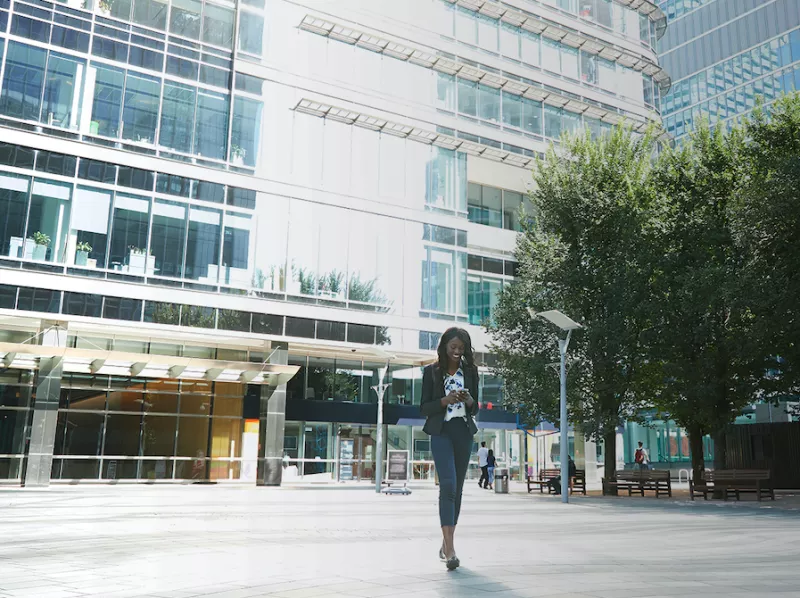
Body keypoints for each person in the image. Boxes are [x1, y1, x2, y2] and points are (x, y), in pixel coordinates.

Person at [421, 327, 479, 571]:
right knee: (447, 486)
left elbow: (475, 408)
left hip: (463, 433)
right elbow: (424, 408)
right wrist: (445, 400)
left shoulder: (471, 371)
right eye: (453, 347)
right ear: (445, 346)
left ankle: (446, 544)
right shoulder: (432, 372)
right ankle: (451, 549)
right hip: (441, 432)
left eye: (461, 349)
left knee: (457, 489)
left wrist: (467, 400)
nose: (457, 352)